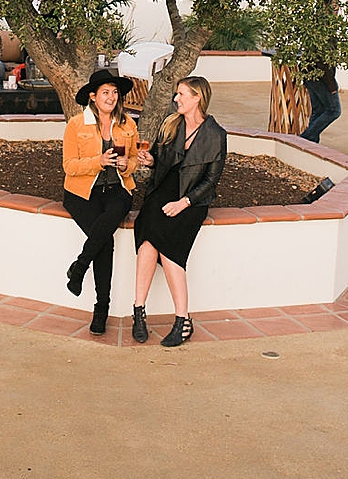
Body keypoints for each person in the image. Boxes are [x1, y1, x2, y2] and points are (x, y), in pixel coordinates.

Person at [132, 76, 227, 348]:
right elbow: (164, 161)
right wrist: (151, 161)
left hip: (192, 199)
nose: (177, 99)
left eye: (182, 94)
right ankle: (139, 311)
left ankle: (183, 320)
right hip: (163, 190)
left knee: (169, 244)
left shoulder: (216, 134)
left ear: (197, 97)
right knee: (148, 236)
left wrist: (183, 203)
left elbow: (211, 181)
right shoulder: (172, 124)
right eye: (177, 94)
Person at [62, 69, 138, 335]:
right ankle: (101, 308)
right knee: (104, 241)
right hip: (82, 192)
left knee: (113, 215)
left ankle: (80, 266)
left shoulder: (127, 123)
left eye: (115, 92)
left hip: (117, 188)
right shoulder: (76, 124)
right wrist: (99, 162)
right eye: (105, 92)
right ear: (93, 97)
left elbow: (135, 159)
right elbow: (69, 166)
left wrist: (128, 164)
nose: (112, 97)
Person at [302, 62, 341, 143]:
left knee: (318, 111)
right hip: (321, 79)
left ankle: (311, 144)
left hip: (310, 76)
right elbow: (323, 63)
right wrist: (332, 85)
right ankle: (305, 138)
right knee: (334, 111)